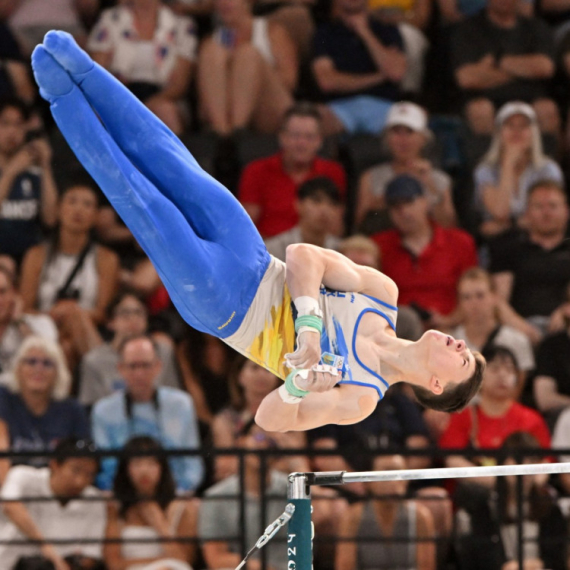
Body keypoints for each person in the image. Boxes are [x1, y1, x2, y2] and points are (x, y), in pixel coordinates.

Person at [31, 32, 485, 435]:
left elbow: (270, 420)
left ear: (437, 385)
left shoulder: (360, 396)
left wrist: (299, 385)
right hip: (250, 255)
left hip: (228, 306)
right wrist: (308, 332)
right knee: (173, 160)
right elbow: (304, 254)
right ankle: (85, 72)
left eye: (463, 358)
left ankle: (63, 101)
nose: (460, 343)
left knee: (144, 202)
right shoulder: (383, 293)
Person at [20, 181, 119, 367]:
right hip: (43, 329)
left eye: (87, 204)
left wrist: (72, 312)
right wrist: (52, 314)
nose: (78, 210)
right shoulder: (36, 255)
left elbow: (103, 313)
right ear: (58, 209)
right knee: (64, 344)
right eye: (72, 201)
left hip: (85, 330)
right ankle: (107, 378)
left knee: (68, 341)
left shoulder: (107, 259)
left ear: (96, 216)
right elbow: (25, 309)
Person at [91, 334, 204, 493]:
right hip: (122, 499)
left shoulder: (181, 404)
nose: (139, 374)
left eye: (145, 365)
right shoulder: (103, 410)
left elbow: (192, 464)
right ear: (120, 369)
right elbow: (105, 468)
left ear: (158, 366)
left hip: (176, 496)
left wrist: (178, 497)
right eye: (133, 366)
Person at [373, 174, 478, 328]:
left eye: (409, 202)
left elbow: (475, 290)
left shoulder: (460, 242)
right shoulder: (379, 245)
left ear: (425, 202)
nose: (403, 211)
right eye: (395, 206)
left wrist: (449, 321)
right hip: (398, 331)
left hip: (452, 329)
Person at [439, 346, 550, 486]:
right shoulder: (463, 417)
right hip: (477, 494)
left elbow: (546, 461)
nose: (503, 375)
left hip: (522, 495)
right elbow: (453, 460)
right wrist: (499, 483)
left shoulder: (532, 419)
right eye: (495, 369)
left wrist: (528, 487)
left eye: (509, 370)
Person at [455, 432, 567, 570]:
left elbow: (558, 560)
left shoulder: (551, 508)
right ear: (503, 463)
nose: (524, 469)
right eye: (518, 460)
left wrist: (529, 565)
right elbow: (480, 559)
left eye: (531, 461)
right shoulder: (485, 510)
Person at [450, 0, 559, 136]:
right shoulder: (468, 29)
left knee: (547, 108)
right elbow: (466, 78)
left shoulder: (535, 27)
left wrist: (498, 62)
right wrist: (524, 70)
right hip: (486, 98)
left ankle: (545, 157)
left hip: (530, 98)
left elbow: (545, 68)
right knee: (480, 110)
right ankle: (488, 157)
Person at [88, 0, 197, 135]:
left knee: (165, 112)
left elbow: (179, 84)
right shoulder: (110, 19)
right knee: (104, 111)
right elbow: (96, 72)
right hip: (119, 92)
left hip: (163, 96)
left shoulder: (181, 25)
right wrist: (124, 100)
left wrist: (146, 107)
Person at [238, 102, 346, 238]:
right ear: (282, 137)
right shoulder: (256, 171)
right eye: (295, 136)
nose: (302, 143)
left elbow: (335, 228)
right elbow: (246, 227)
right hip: (270, 252)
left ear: (319, 141)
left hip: (316, 250)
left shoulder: (333, 171)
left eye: (309, 137)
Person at [0, 437, 106, 570]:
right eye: (76, 470)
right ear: (55, 464)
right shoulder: (23, 477)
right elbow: (11, 506)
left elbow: (91, 555)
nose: (80, 481)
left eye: (90, 474)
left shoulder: (95, 500)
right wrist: (47, 549)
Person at [197, 0, 298, 135]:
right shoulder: (212, 42)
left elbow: (289, 82)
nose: (224, 3)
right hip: (226, 112)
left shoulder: (272, 31)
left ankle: (238, 132)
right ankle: (223, 134)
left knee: (247, 54)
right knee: (211, 50)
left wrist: (249, 81)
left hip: (270, 108)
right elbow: (203, 106)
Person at [199, 419, 289, 570]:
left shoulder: (294, 491)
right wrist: (259, 566)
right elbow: (215, 558)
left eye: (271, 443)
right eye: (259, 437)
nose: (264, 445)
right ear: (240, 442)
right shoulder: (216, 496)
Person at [489, 179, 570, 343]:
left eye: (553, 206)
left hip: (564, 325)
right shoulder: (509, 248)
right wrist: (521, 327)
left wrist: (565, 312)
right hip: (520, 327)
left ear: (566, 211)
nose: (546, 213)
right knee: (508, 340)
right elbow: (498, 300)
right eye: (539, 207)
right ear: (527, 212)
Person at [0, 335, 90, 483]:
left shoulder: (73, 410)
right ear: (18, 369)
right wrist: (12, 499)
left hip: (57, 490)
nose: (38, 369)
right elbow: (1, 454)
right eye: (31, 361)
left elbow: (82, 463)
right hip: (8, 487)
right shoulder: (3, 397)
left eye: (47, 363)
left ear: (58, 372)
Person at [356, 101, 456, 234]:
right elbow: (361, 226)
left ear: (423, 138)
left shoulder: (440, 179)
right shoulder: (370, 177)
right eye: (396, 132)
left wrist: (429, 185)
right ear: (387, 138)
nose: (403, 139)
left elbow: (449, 226)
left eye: (409, 132)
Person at [312, 0, 407, 135]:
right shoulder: (324, 33)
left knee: (408, 121)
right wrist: (380, 76)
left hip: (383, 105)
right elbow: (327, 82)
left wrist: (364, 32)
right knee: (314, 119)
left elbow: (396, 73)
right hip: (340, 107)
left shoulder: (387, 28)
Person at [105, 436, 198, 570]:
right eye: (137, 463)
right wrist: (154, 563)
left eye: (151, 463)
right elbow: (113, 564)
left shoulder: (183, 507)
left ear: (162, 467)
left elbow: (184, 560)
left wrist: (159, 523)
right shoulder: (115, 507)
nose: (144, 471)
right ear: (126, 469)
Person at [474, 102, 564, 238]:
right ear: (499, 133)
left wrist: (508, 225)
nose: (517, 131)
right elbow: (500, 212)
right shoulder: (485, 170)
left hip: (539, 240)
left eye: (524, 126)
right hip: (498, 245)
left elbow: (550, 217)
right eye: (510, 125)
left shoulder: (548, 169)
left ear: (534, 133)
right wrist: (509, 163)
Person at [212, 354, 308, 481]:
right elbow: (223, 467)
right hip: (240, 487)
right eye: (254, 368)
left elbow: (299, 461)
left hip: (283, 483)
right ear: (239, 376)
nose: (261, 375)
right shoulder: (225, 420)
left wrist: (278, 439)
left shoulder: (292, 414)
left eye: (268, 370)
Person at [79, 290, 181, 407]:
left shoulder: (163, 352)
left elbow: (174, 398)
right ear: (111, 322)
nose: (133, 319)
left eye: (138, 313)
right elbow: (91, 408)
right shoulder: (94, 361)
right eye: (125, 313)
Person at [336, 454, 436, 570]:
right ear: (369, 482)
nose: (394, 481)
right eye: (387, 473)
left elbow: (427, 566)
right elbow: (345, 566)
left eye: (399, 473)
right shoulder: (353, 517)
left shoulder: (421, 517)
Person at [0, 97, 58, 264]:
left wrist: (46, 165)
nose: (12, 132)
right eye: (5, 124)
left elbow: (51, 219)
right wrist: (10, 172)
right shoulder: (16, 169)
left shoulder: (35, 171)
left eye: (18, 125)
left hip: (30, 261)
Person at [451, 267, 535, 382]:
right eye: (466, 297)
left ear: (494, 297)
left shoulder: (517, 341)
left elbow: (516, 389)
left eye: (480, 295)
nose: (473, 303)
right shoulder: (450, 343)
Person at [0, 264, 58, 380]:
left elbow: (47, 361)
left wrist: (19, 322)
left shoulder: (42, 324)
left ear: (14, 293)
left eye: (2, 292)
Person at [264, 177, 342, 261]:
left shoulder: (341, 251)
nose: (324, 209)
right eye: (317, 201)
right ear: (298, 204)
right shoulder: (272, 251)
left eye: (332, 204)